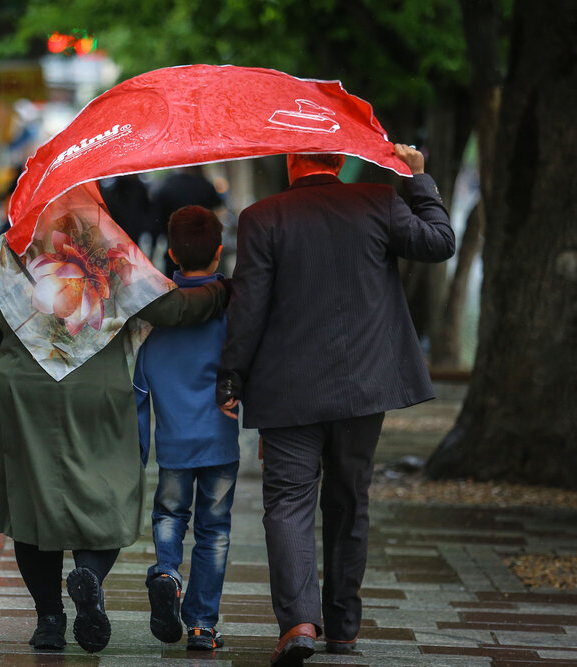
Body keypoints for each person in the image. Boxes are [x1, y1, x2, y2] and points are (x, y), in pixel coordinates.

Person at [0, 184, 229, 654]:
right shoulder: (111, 246)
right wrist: (220, 292)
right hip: (97, 390)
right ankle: (89, 576)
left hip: (24, 395)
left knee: (30, 503)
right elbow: (172, 309)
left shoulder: (11, 243)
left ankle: (48, 620)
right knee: (110, 489)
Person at [216, 147, 455, 666]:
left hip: (287, 389)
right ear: (340, 162)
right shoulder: (378, 201)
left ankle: (299, 622)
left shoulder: (262, 218)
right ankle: (343, 628)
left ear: (291, 163)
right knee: (350, 499)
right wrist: (415, 176)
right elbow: (440, 242)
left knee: (287, 502)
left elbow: (249, 305)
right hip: (364, 386)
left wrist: (232, 375)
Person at [134, 206, 240, 651]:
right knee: (214, 531)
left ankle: (165, 572)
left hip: (173, 447)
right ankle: (201, 625)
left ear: (172, 255)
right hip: (219, 443)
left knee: (170, 515)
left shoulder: (158, 326)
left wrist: (137, 454)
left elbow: (139, 390)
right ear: (219, 253)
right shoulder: (229, 318)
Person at [149, 166, 222, 277]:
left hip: (178, 250)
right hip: (205, 250)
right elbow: (217, 208)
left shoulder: (167, 187)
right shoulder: (205, 186)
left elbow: (157, 224)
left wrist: (151, 253)